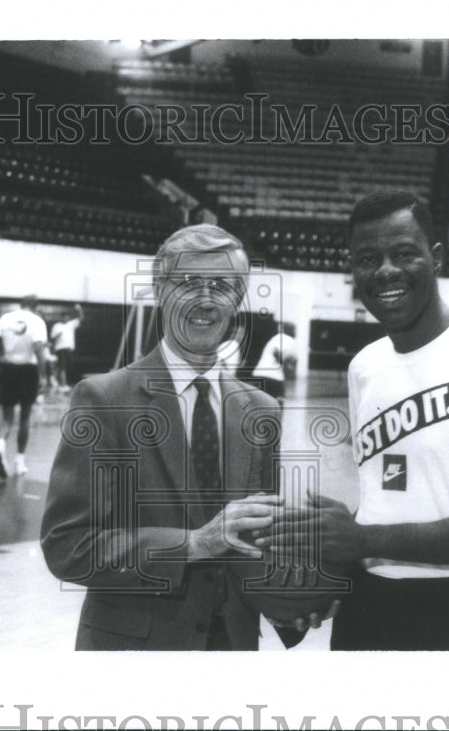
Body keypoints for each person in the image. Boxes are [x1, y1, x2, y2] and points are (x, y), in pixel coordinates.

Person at [264, 190, 449, 651]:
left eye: (403, 254)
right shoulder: (365, 367)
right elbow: (391, 493)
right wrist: (328, 564)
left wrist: (362, 537)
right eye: (367, 258)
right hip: (367, 610)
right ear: (352, 268)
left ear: (436, 257)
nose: (386, 272)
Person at [41, 224, 316, 651]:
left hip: (232, 650)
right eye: (188, 283)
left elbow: (253, 540)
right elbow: (67, 545)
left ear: (238, 299)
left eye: (222, 286)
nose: (206, 301)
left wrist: (298, 601)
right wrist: (192, 545)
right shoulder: (103, 398)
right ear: (159, 290)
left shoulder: (261, 410)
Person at [0, 295, 48, 478]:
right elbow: (39, 351)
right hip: (28, 371)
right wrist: (43, 376)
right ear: (35, 306)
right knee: (24, 417)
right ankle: (19, 461)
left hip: (8, 369)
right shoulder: (37, 321)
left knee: (7, 416)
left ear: (21, 305)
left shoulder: (6, 318)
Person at [252, 322, 298, 408]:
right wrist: (282, 362)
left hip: (258, 374)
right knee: (278, 406)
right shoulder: (289, 340)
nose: (295, 332)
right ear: (291, 330)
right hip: (273, 377)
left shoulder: (275, 338)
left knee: (259, 406)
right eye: (294, 330)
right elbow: (276, 351)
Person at [50, 304, 84, 390]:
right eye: (64, 317)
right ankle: (63, 385)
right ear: (61, 318)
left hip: (69, 349)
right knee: (62, 367)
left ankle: (56, 381)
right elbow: (52, 337)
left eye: (67, 317)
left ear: (68, 318)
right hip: (60, 348)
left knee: (65, 367)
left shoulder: (71, 324)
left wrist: (79, 309)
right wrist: (58, 335)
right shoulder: (57, 326)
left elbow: (81, 318)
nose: (65, 318)